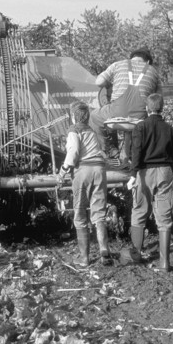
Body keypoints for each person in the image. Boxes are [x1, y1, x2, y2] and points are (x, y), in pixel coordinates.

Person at [123, 94, 173, 271]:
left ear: (147, 108)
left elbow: (136, 152)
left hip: (145, 172)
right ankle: (164, 263)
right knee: (164, 216)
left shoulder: (140, 127)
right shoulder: (169, 128)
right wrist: (171, 170)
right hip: (165, 171)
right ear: (162, 108)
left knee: (139, 211)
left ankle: (136, 254)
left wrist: (133, 174)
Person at [58, 101, 112, 267]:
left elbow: (73, 151)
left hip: (84, 169)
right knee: (99, 212)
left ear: (73, 117)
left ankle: (84, 258)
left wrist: (63, 171)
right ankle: (104, 251)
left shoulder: (74, 130)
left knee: (80, 211)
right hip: (99, 169)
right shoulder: (91, 130)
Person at [89, 47, 163, 159]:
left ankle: (109, 149)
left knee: (94, 116)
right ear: (148, 61)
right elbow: (159, 99)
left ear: (132, 58)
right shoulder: (153, 71)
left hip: (116, 111)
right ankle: (133, 155)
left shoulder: (118, 65)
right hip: (141, 116)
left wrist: (109, 84)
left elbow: (98, 81)